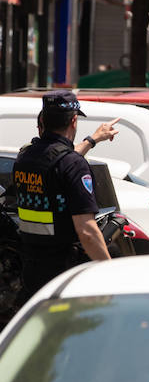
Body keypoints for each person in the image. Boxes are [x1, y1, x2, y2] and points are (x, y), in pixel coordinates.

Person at [13, 91, 120, 305]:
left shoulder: (25, 157)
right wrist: (110, 274)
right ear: (74, 120)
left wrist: (92, 139)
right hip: (62, 273)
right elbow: (87, 232)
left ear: (42, 121)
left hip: (31, 269)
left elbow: (57, 159)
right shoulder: (72, 165)